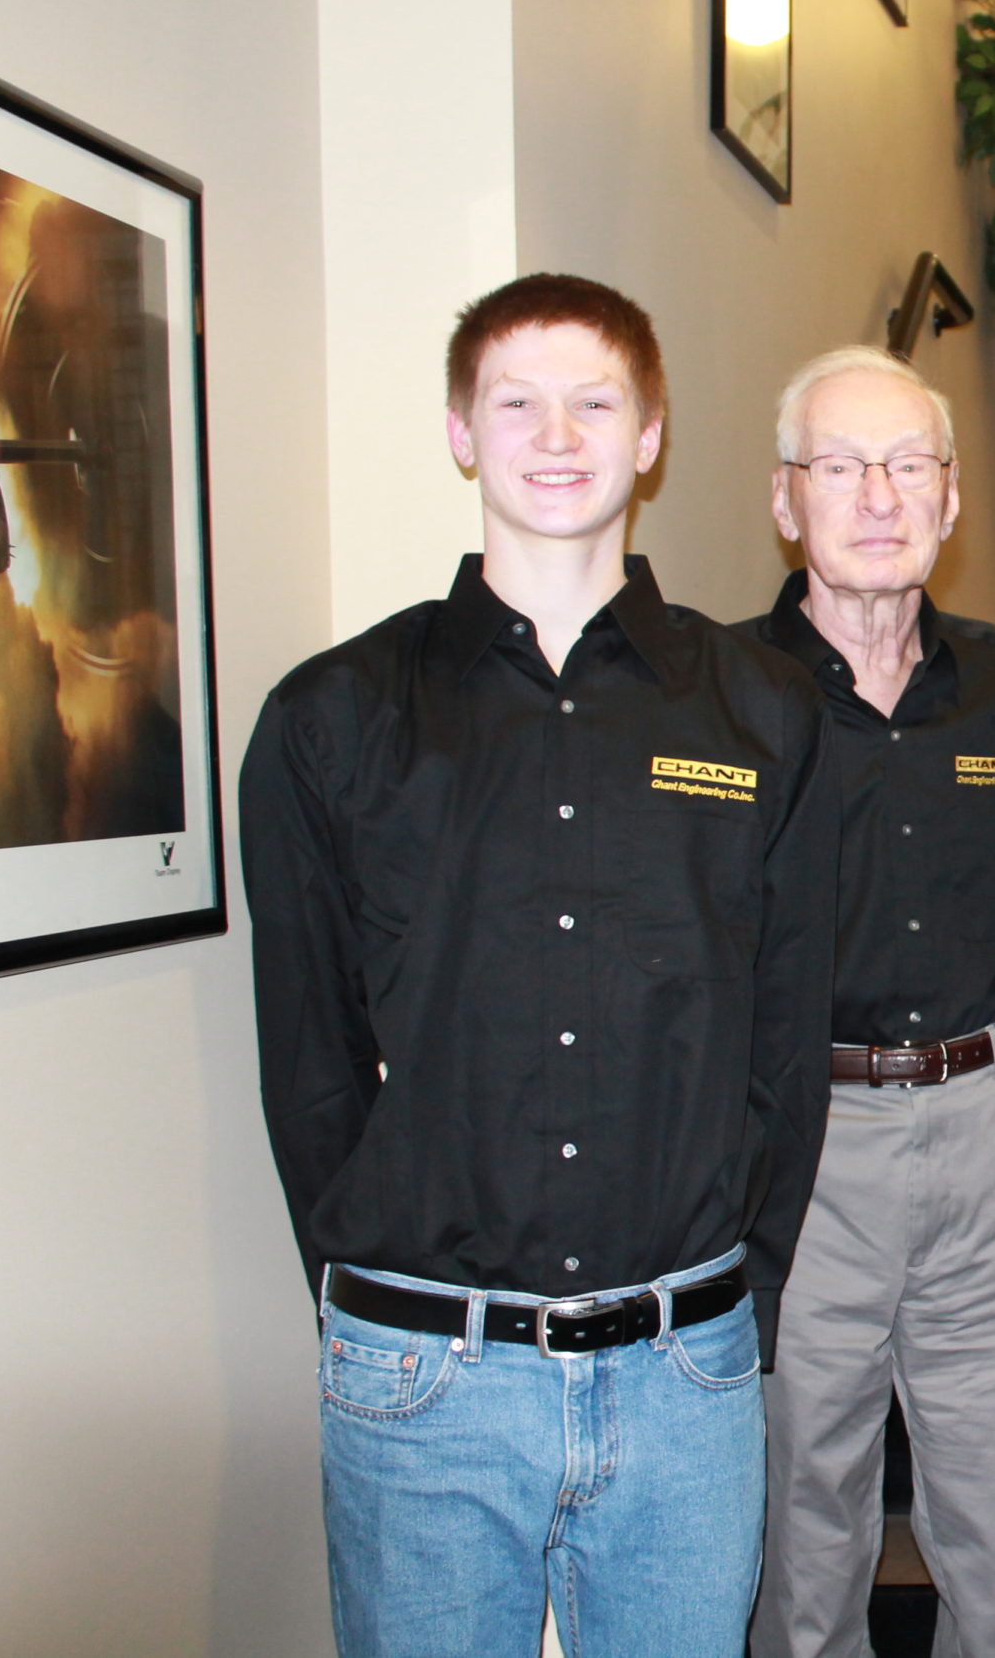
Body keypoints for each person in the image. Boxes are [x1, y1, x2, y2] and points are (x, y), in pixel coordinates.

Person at [241, 274, 841, 1657]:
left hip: (687, 1373)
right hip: (422, 1382)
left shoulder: (761, 714)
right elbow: (308, 1057)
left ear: (650, 437)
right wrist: (365, 1290)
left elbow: (783, 1037)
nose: (555, 435)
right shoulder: (332, 718)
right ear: (462, 432)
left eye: (594, 402)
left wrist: (741, 1296)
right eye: (516, 402)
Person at [743, 346, 995, 1658]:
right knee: (799, 1525)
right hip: (802, 1144)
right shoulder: (715, 700)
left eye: (908, 466)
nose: (877, 495)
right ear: (787, 499)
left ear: (950, 499)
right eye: (841, 466)